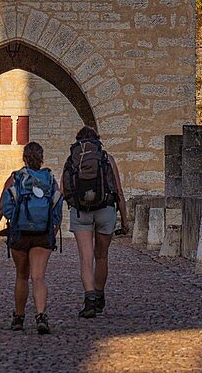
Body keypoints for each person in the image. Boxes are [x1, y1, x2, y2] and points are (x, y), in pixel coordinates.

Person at [0, 141, 63, 335]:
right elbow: (57, 208)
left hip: (20, 233)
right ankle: (41, 316)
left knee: (21, 276)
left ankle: (19, 317)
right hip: (42, 234)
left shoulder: (15, 178)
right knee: (38, 277)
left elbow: (2, 207)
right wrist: (52, 232)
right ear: (41, 158)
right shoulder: (50, 179)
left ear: (24, 158)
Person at [62, 125, 129, 318]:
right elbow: (119, 191)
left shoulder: (73, 159)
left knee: (86, 258)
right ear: (97, 139)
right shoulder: (106, 158)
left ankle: (89, 300)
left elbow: (64, 188)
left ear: (78, 140)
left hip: (81, 212)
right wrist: (124, 220)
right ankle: (99, 296)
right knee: (101, 256)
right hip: (105, 209)